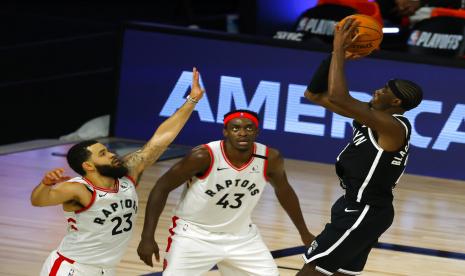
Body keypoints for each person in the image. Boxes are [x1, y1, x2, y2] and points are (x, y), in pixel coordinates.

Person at [30, 68, 204, 276]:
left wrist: (192, 101)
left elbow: (160, 139)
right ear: (88, 166)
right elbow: (39, 201)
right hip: (72, 269)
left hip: (106, 270)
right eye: (103, 153)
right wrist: (46, 184)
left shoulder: (127, 175)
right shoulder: (79, 190)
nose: (112, 154)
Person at [297, 18, 423, 276]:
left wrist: (339, 52)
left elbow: (337, 96)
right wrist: (332, 56)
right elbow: (314, 95)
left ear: (396, 101)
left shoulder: (392, 127)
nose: (377, 90)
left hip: (365, 211)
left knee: (311, 270)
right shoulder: (371, 117)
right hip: (355, 206)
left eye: (384, 90)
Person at [137, 109, 314, 276]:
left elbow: (284, 192)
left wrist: (303, 232)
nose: (242, 133)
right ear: (226, 132)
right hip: (194, 236)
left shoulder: (270, 158)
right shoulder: (203, 156)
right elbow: (161, 187)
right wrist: (147, 236)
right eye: (235, 128)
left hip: (242, 237)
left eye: (248, 128)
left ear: (256, 132)